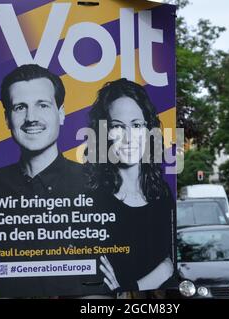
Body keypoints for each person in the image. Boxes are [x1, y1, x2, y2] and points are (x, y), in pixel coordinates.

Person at [0, 64, 86, 297]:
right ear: (7, 119)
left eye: (42, 105)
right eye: (20, 107)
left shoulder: (93, 184)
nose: (31, 118)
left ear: (61, 114)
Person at [84, 78, 175, 294]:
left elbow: (171, 264)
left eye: (136, 125)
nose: (128, 137)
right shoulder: (89, 195)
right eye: (117, 126)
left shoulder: (162, 193)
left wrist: (128, 289)